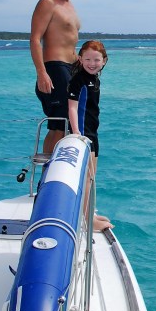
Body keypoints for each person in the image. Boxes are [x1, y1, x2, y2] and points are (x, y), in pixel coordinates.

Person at [30, 0, 80, 156]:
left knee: (69, 123)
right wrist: (41, 72)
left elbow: (68, 42)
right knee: (58, 125)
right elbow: (35, 39)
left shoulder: (69, 6)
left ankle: (62, 162)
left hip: (70, 69)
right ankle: (48, 169)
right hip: (55, 69)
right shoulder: (48, 3)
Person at [67, 40, 112, 232]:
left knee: (92, 176)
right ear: (80, 59)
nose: (92, 63)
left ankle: (89, 213)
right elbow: (72, 107)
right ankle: (87, 221)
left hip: (93, 132)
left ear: (104, 61)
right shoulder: (78, 80)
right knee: (86, 178)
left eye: (96, 60)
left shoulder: (95, 80)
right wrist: (76, 132)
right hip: (84, 133)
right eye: (87, 59)